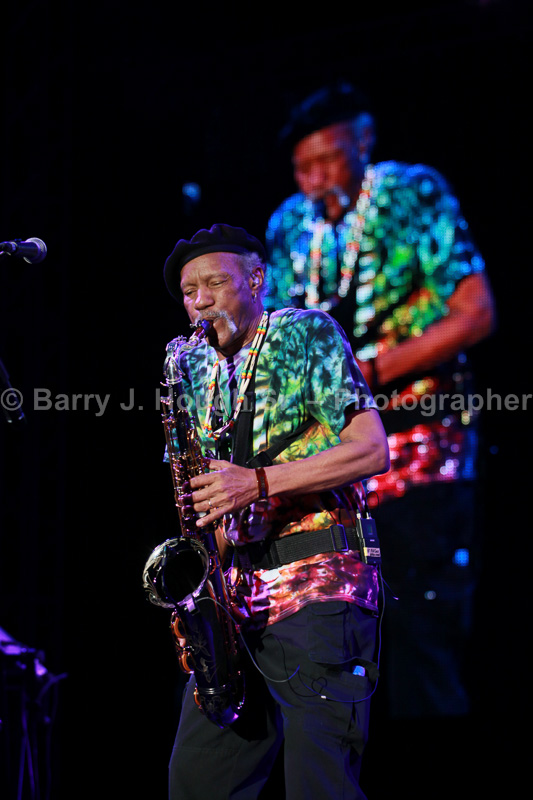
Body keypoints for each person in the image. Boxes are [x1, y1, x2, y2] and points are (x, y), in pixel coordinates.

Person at [264, 82, 495, 726]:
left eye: (328, 160)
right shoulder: (288, 224)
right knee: (327, 647)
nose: (314, 180)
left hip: (420, 449)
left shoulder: (410, 192)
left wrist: (366, 374)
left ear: (363, 141)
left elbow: (475, 312)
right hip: (330, 468)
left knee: (421, 638)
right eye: (302, 167)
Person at [161, 222, 390, 800]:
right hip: (237, 606)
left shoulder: (305, 333)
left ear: (257, 279)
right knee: (194, 785)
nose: (200, 301)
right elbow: (205, 499)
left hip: (318, 584)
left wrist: (258, 483)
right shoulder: (190, 368)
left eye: (215, 283)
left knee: (319, 785)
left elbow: (372, 450)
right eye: (189, 292)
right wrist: (201, 600)